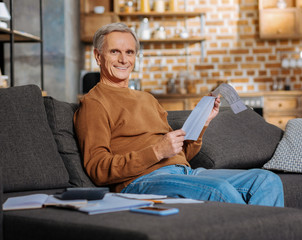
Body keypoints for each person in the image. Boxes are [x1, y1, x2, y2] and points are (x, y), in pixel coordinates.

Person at [74, 22, 284, 207]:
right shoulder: (94, 103)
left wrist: (203, 122)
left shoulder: (147, 99)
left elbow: (181, 154)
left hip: (186, 173)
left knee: (266, 180)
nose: (123, 59)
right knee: (218, 189)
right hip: (140, 182)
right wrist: (156, 151)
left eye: (129, 52)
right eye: (114, 52)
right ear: (97, 56)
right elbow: (98, 169)